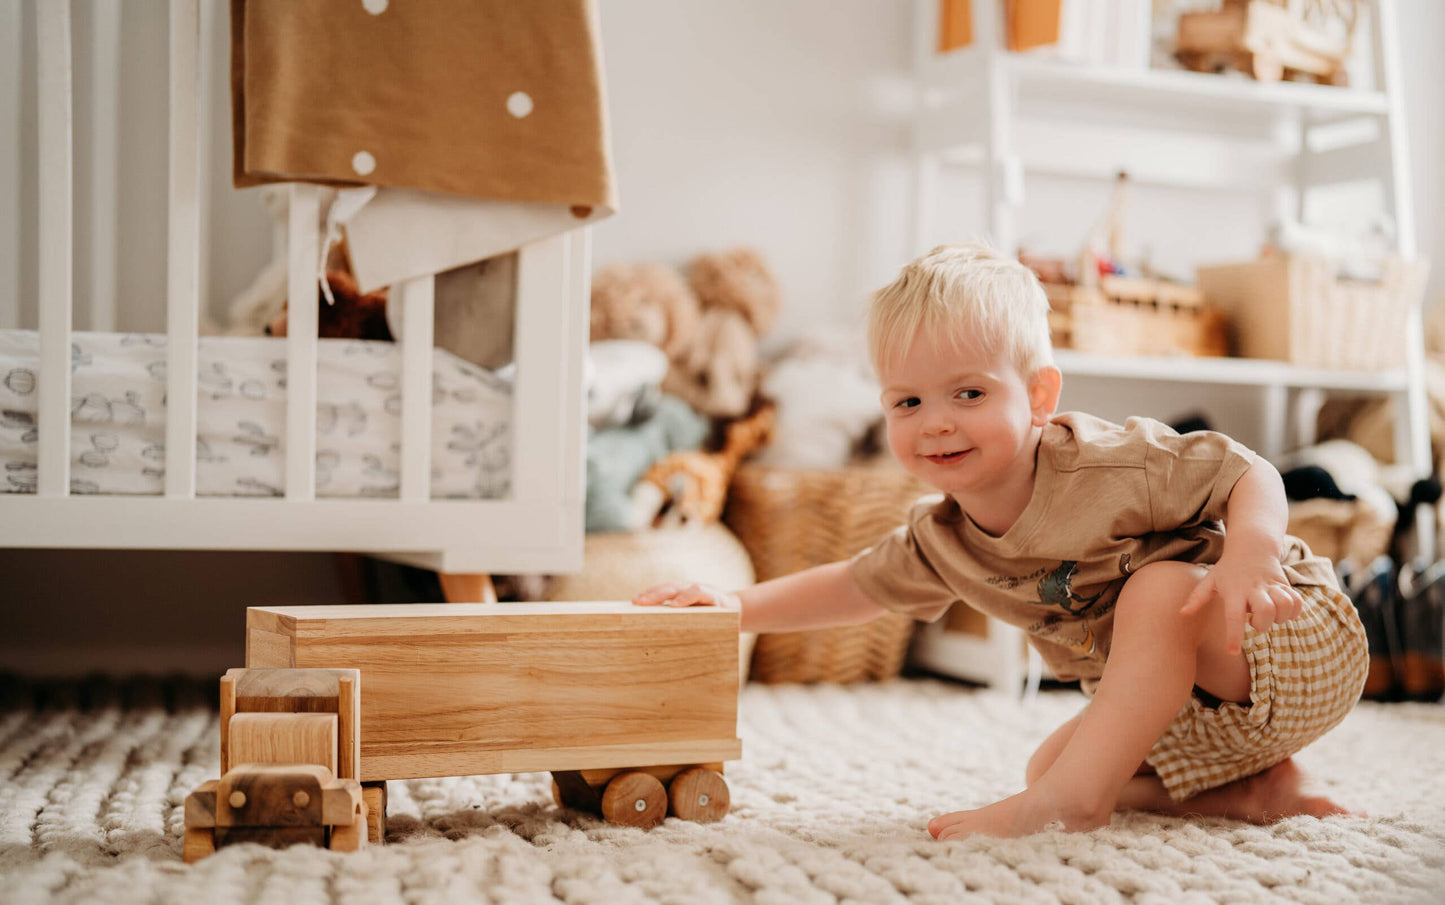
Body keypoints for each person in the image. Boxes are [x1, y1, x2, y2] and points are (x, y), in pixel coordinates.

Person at [633, 242, 1369, 840]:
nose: (936, 422)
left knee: (1156, 590)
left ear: (1039, 397)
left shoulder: (1107, 464)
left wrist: (1250, 553)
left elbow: (1248, 471)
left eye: (969, 393)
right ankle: (1253, 790)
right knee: (1051, 761)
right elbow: (854, 584)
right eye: (907, 402)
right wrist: (733, 604)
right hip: (1201, 710)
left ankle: (1068, 808)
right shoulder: (944, 539)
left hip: (1288, 637)